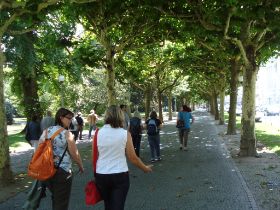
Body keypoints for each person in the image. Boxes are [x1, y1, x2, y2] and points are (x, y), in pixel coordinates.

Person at [95, 105, 152, 210]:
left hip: (101, 174)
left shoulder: (98, 133)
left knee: (108, 205)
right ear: (120, 116)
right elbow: (132, 157)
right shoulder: (125, 134)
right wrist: (145, 168)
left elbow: (94, 156)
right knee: (118, 206)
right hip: (119, 174)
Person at [39, 108, 84, 210]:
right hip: (62, 171)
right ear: (61, 117)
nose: (71, 121)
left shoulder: (46, 131)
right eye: (69, 118)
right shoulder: (67, 134)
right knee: (62, 202)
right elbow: (74, 153)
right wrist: (81, 166)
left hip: (46, 170)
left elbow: (39, 149)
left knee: (56, 197)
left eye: (72, 118)